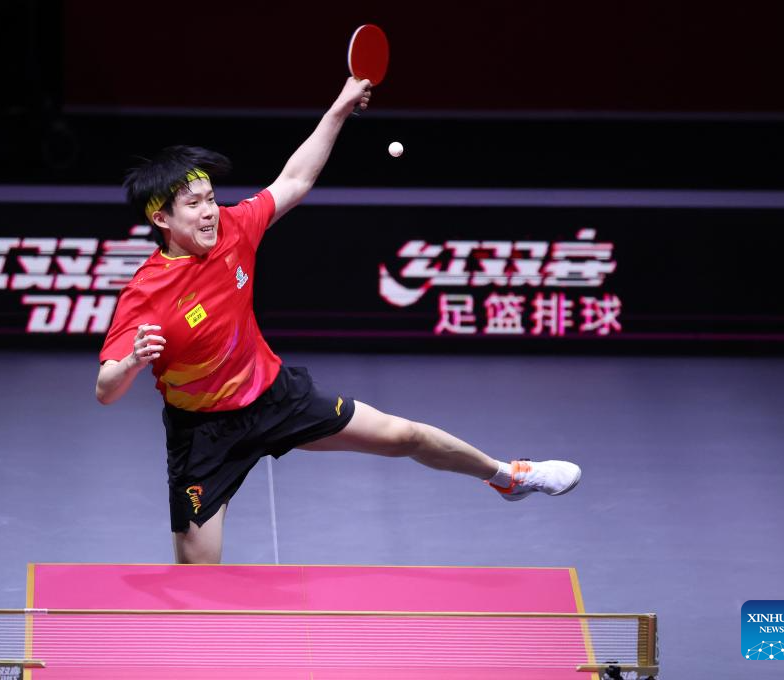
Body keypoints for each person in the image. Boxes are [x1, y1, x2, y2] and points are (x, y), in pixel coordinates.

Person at [96, 77, 581, 564]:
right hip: (204, 435)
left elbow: (294, 180)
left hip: (273, 397)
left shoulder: (233, 229)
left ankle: (508, 477)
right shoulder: (147, 292)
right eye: (194, 204)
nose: (209, 212)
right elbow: (106, 389)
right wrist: (133, 362)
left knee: (404, 435)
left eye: (210, 197)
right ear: (161, 220)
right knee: (198, 576)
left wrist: (340, 108)